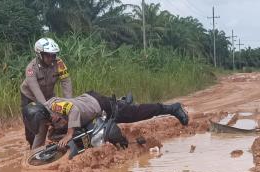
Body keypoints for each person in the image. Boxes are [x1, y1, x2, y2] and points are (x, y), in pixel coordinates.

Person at [23, 91, 189, 149]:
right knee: (61, 136)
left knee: (135, 113)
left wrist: (69, 133)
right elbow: (42, 136)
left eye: (46, 123)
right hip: (87, 105)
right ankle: (123, 101)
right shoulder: (43, 115)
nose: (46, 126)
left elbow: (72, 110)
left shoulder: (56, 106)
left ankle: (172, 108)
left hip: (99, 104)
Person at [20, 37, 73, 148]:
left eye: (53, 55)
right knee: (34, 123)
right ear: (40, 54)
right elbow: (37, 92)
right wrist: (49, 112)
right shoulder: (31, 69)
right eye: (48, 55)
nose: (51, 58)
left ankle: (56, 138)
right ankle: (33, 147)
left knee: (61, 117)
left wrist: (69, 103)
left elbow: (66, 81)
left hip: (49, 95)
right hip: (30, 97)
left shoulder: (59, 63)